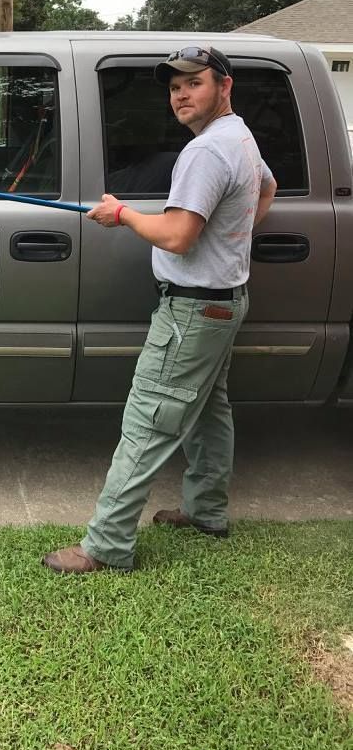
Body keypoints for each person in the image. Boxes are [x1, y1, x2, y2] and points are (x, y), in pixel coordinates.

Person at [43, 45, 277, 574]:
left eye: (194, 83)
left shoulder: (205, 151)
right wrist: (231, 238)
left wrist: (122, 214)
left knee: (148, 421)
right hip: (225, 305)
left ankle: (106, 545)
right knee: (209, 413)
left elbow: (176, 235)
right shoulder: (239, 136)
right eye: (174, 88)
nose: (181, 95)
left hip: (193, 313)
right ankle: (206, 512)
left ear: (224, 86)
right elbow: (268, 187)